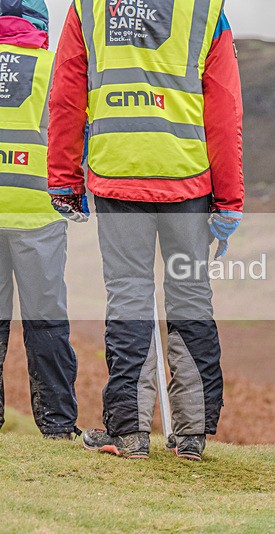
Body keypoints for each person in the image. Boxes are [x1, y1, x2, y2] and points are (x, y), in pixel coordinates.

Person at [48, 0, 244, 460]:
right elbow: (224, 109)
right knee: (191, 296)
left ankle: (131, 433)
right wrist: (229, 199)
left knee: (129, 296)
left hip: (118, 176)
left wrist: (63, 179)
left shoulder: (88, 9)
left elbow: (66, 97)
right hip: (188, 180)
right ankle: (191, 436)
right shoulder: (205, 10)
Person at [0, 0, 79, 440]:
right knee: (45, 320)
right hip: (37, 212)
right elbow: (71, 131)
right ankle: (57, 425)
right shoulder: (53, 67)